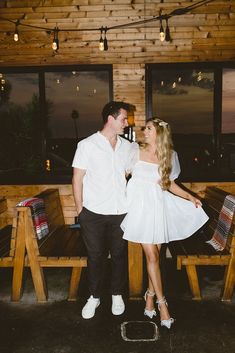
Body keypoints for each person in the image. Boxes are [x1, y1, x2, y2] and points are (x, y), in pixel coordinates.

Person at [121, 117, 209, 329]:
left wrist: (190, 197)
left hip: (158, 207)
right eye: (145, 128)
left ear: (159, 133)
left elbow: (169, 185)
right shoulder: (134, 150)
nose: (145, 131)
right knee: (151, 256)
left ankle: (149, 294)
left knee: (156, 256)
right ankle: (162, 304)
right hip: (139, 209)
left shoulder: (169, 155)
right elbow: (121, 176)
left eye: (149, 128)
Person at [72, 101, 135, 319]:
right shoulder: (87, 145)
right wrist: (81, 211)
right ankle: (94, 296)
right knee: (95, 256)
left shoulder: (128, 147)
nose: (126, 123)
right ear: (110, 119)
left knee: (119, 254)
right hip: (94, 213)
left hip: (120, 211)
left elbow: (129, 174)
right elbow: (77, 179)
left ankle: (117, 294)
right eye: (123, 119)